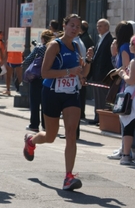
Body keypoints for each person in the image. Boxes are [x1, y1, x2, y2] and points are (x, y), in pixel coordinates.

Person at [23, 14, 93, 191]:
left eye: (77, 26)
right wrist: (68, 71)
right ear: (65, 25)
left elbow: (83, 73)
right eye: (72, 25)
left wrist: (88, 62)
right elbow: (45, 73)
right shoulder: (55, 45)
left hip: (71, 94)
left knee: (71, 134)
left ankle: (68, 177)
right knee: (50, 136)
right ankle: (31, 141)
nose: (75, 28)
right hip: (52, 93)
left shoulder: (77, 46)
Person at [22, 30, 54, 132]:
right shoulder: (53, 48)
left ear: (43, 39)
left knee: (35, 103)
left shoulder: (39, 48)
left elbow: (27, 60)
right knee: (46, 103)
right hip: (49, 78)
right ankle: (46, 125)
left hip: (36, 79)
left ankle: (34, 125)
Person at [88, 19, 114, 125]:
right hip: (97, 74)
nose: (98, 28)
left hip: (103, 74)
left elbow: (107, 59)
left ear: (106, 27)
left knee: (103, 97)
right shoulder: (100, 39)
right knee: (97, 96)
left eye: (101, 26)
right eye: (97, 26)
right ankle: (97, 117)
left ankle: (101, 118)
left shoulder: (109, 40)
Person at [117, 34, 135, 165]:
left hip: (132, 97)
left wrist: (123, 74)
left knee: (128, 126)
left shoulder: (134, 62)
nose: (129, 46)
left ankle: (126, 155)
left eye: (131, 44)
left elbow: (131, 80)